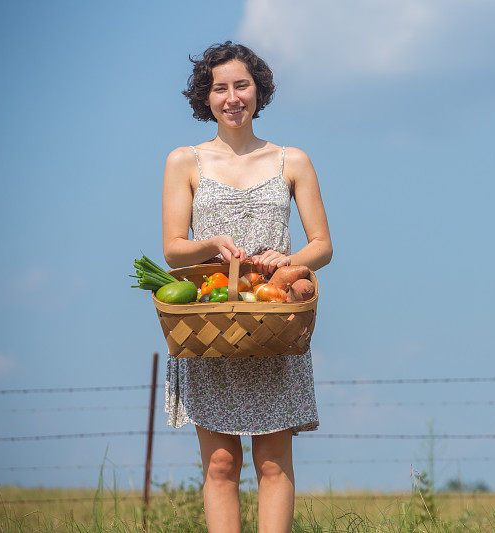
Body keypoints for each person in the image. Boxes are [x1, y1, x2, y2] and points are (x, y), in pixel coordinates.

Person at [161, 41, 332, 533]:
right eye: (220, 88)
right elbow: (174, 249)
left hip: (272, 320)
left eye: (242, 85)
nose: (232, 98)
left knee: (274, 465)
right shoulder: (184, 161)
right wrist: (210, 243)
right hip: (212, 325)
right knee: (220, 466)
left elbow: (322, 244)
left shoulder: (291, 160)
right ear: (205, 98)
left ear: (259, 92)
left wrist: (290, 260)